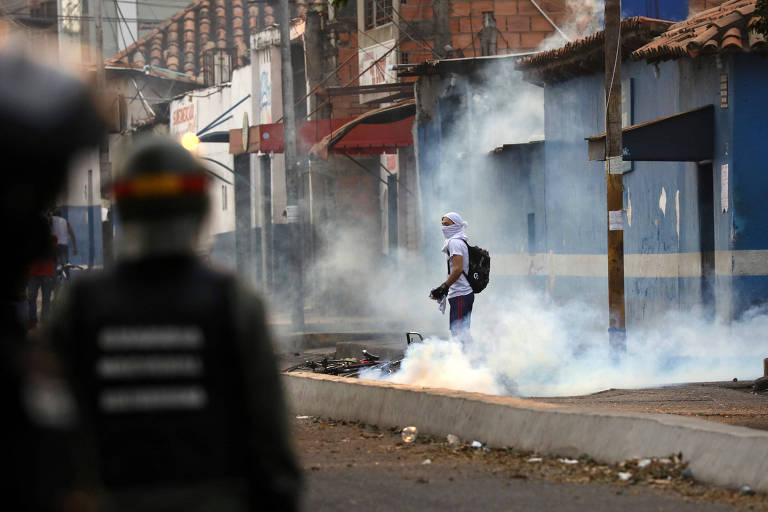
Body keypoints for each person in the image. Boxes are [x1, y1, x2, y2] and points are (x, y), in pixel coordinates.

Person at [45, 136, 302, 512]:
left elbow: (46, 436)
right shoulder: (233, 301)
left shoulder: (79, 304)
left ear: (124, 204)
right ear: (199, 205)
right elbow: (271, 442)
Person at [430, 212, 474, 340]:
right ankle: (471, 356)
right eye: (442, 224)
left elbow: (458, 269)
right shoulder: (459, 240)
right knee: (460, 332)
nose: (443, 228)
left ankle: (470, 357)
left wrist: (444, 286)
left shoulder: (454, 242)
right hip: (461, 294)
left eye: (447, 224)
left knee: (459, 332)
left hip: (461, 294)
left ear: (455, 225)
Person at [27, 229, 57, 330]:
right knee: (32, 299)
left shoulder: (53, 239)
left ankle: (43, 321)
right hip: (33, 273)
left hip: (46, 272)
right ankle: (32, 321)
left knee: (45, 299)